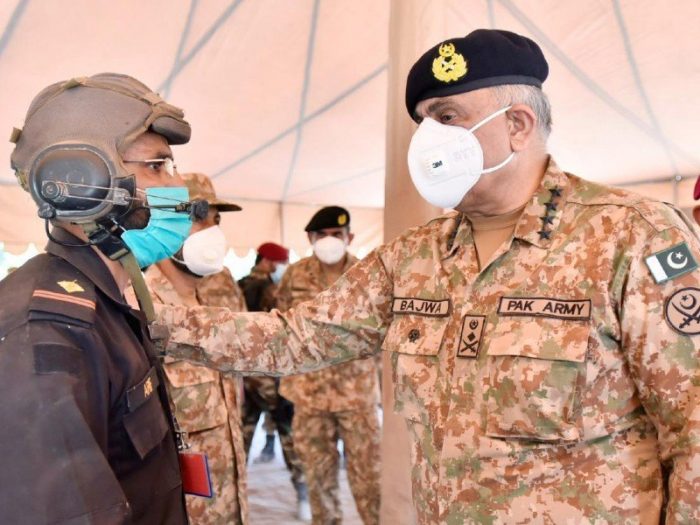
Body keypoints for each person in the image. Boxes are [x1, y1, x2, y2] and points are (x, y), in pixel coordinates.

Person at [158, 29, 700, 523]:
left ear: (518, 124)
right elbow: (296, 337)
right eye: (422, 121)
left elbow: (693, 427)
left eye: (447, 117)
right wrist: (153, 324)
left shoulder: (633, 235)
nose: (427, 138)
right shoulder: (416, 257)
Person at [0, 73, 193, 523]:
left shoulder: (105, 304)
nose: (178, 185)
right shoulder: (47, 334)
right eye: (158, 166)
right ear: (80, 181)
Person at [141, 172, 249, 524]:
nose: (212, 230)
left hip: (231, 494)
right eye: (197, 217)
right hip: (182, 507)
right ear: (164, 221)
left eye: (215, 219)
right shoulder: (140, 304)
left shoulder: (219, 290)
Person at [276, 207, 381, 525]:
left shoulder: (369, 273)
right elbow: (282, 326)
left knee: (370, 481)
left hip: (356, 397)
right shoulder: (295, 274)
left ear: (349, 237)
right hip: (309, 396)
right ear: (310, 238)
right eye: (322, 235)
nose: (330, 241)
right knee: (319, 479)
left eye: (337, 234)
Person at [238, 242, 311, 521]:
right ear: (269, 262)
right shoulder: (271, 289)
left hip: (246, 376)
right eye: (282, 262)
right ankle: (303, 496)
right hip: (271, 377)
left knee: (242, 439)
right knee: (289, 436)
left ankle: (238, 497)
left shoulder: (239, 285)